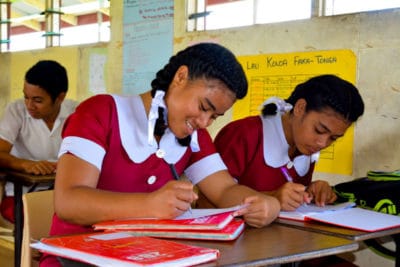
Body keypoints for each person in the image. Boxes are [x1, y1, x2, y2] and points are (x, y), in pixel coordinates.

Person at [42, 43, 280, 266]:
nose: (204, 122)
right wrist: (149, 204)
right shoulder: (100, 112)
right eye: (204, 107)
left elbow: (225, 190)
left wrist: (264, 203)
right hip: (78, 258)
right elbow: (68, 202)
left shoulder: (195, 137)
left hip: (147, 257)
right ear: (181, 77)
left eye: (214, 116)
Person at [213, 74, 365, 211]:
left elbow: (291, 200)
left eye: (334, 138)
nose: (322, 143)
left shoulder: (306, 147)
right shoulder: (242, 134)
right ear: (300, 108)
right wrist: (273, 197)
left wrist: (310, 192)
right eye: (319, 130)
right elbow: (207, 203)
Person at [0, 60, 78, 223]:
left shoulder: (76, 113)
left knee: (77, 218)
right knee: (37, 220)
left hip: (64, 193)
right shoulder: (16, 111)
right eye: (26, 97)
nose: (29, 105)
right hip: (21, 195)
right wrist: (25, 164)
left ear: (60, 97)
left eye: (38, 100)